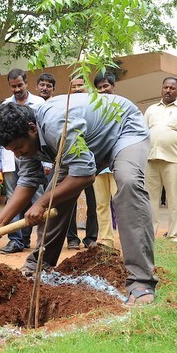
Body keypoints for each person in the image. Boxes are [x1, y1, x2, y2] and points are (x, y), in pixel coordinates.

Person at [0, 94, 158, 305]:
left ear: (32, 129)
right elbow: (28, 181)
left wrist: (41, 202)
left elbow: (85, 175)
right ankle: (39, 266)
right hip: (85, 146)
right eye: (14, 152)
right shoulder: (28, 140)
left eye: (20, 148)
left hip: (123, 127)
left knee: (129, 182)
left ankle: (141, 282)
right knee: (55, 194)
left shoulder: (57, 125)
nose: (20, 156)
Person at [0, 69, 46, 254]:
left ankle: (42, 243)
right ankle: (16, 240)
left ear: (26, 83)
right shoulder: (5, 105)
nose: (16, 89)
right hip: (12, 163)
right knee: (13, 197)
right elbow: (2, 141)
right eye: (13, 86)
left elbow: (46, 135)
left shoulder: (39, 104)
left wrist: (47, 164)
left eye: (20, 85)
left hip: (37, 156)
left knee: (39, 198)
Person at [145, 76, 177, 241]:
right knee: (150, 200)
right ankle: (149, 235)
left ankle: (174, 235)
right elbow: (142, 135)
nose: (168, 90)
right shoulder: (151, 110)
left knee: (174, 199)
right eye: (165, 87)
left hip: (173, 161)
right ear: (161, 88)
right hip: (150, 160)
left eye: (172, 88)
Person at [64, 75, 97, 249]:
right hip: (71, 159)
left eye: (80, 86)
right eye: (73, 87)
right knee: (70, 200)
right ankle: (72, 238)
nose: (77, 89)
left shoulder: (94, 105)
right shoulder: (65, 107)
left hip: (92, 158)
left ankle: (91, 238)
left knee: (93, 201)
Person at [91, 73, 118, 248]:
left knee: (121, 202)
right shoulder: (93, 108)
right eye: (99, 88)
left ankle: (127, 238)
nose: (103, 90)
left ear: (113, 86)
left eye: (106, 86)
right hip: (98, 163)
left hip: (117, 163)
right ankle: (107, 240)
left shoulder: (121, 106)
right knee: (101, 204)